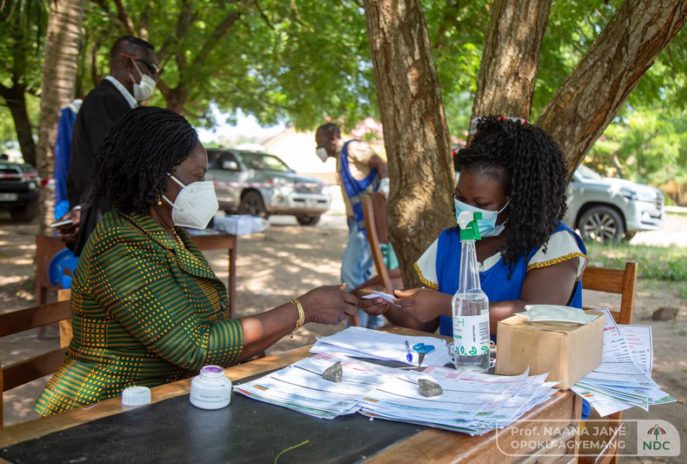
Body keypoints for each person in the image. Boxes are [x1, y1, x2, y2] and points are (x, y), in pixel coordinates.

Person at [36, 108, 358, 416]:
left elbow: (204, 326)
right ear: (156, 176)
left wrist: (253, 346)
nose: (205, 189)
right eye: (197, 176)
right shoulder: (121, 247)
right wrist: (304, 309)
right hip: (106, 411)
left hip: (166, 398)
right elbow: (195, 346)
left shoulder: (167, 233)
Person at [361, 116, 587, 337]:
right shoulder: (449, 243)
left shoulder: (553, 244)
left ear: (517, 199)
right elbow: (423, 322)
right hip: (463, 370)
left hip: (532, 369)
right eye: (460, 198)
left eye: (481, 203)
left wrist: (449, 305)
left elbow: (534, 315)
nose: (467, 210)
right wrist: (387, 303)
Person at [61, 35, 159, 254]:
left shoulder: (121, 104)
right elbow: (118, 166)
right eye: (151, 69)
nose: (154, 78)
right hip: (107, 225)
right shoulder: (105, 100)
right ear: (127, 62)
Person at [314, 123, 389, 328]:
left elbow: (381, 165)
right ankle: (374, 324)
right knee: (364, 277)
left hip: (368, 222)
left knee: (350, 273)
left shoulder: (353, 148)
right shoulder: (340, 159)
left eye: (319, 143)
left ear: (333, 139)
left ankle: (357, 327)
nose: (318, 148)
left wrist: (384, 188)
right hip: (357, 223)